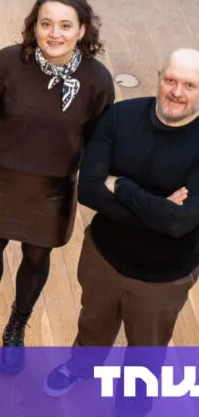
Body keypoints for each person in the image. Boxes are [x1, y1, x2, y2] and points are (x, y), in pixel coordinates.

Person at [0, 0, 115, 374]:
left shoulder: (97, 80)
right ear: (34, 25)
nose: (54, 33)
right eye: (46, 23)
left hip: (53, 187)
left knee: (36, 256)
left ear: (82, 30)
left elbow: (98, 135)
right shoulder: (6, 63)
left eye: (65, 25)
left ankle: (17, 325)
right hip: (2, 177)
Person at [43, 49, 199, 415]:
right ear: (158, 76)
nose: (177, 92)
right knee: (93, 324)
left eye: (190, 86)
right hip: (104, 257)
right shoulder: (120, 116)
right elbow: (89, 190)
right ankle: (82, 367)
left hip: (164, 278)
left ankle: (132, 405)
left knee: (147, 350)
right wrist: (158, 209)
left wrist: (123, 186)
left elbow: (180, 223)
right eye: (171, 80)